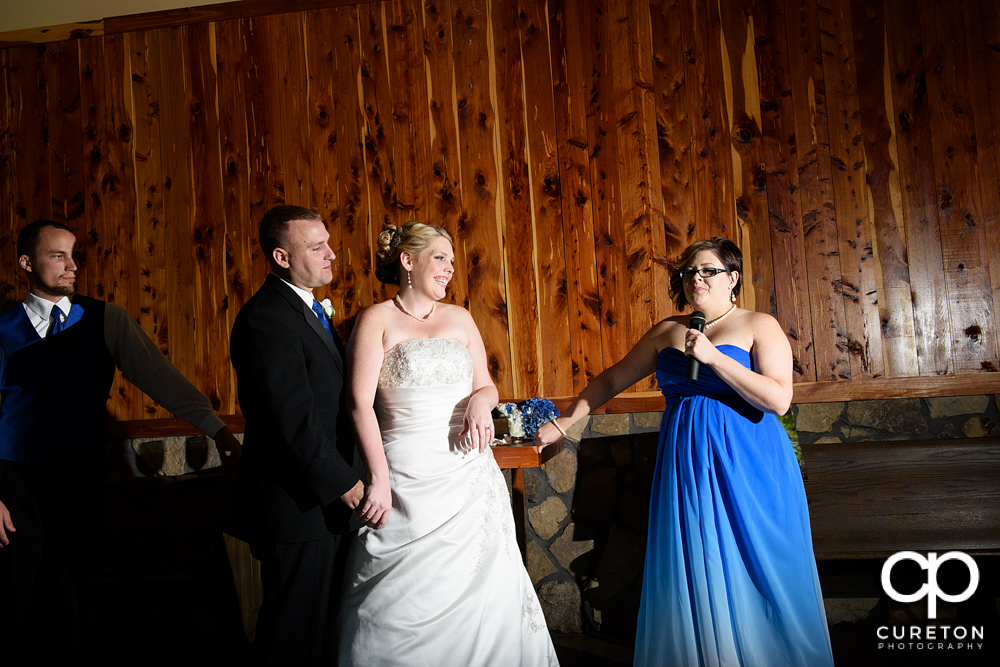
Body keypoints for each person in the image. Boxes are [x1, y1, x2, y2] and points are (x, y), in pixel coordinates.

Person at [535, 238, 834, 666]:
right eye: (690, 271)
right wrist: (564, 422)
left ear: (732, 278)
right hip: (688, 462)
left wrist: (714, 358)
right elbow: (610, 379)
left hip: (750, 461)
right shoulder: (667, 331)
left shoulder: (758, 325)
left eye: (708, 270)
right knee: (699, 561)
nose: (696, 278)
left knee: (762, 565)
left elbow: (778, 400)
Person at [0, 219, 242, 665]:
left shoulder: (105, 319)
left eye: (75, 256)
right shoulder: (2, 328)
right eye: (58, 256)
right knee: (17, 593)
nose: (72, 266)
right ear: (26, 263)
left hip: (79, 475)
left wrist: (217, 429)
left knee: (71, 589)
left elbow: (160, 380)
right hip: (16, 481)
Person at [339, 221, 558, 666]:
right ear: (408, 261)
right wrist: (378, 478)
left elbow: (489, 386)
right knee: (406, 593)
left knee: (484, 588)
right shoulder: (375, 319)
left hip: (468, 472)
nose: (450, 269)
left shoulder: (459, 318)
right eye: (441, 258)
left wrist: (481, 401)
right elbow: (359, 404)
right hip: (404, 472)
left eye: (453, 261)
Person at [229, 205, 366, 666]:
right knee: (292, 634)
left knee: (323, 630)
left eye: (327, 243)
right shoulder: (266, 318)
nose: (331, 254)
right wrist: (342, 482)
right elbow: (291, 419)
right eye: (315, 247)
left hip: (324, 505)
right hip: (298, 506)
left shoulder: (306, 309)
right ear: (281, 257)